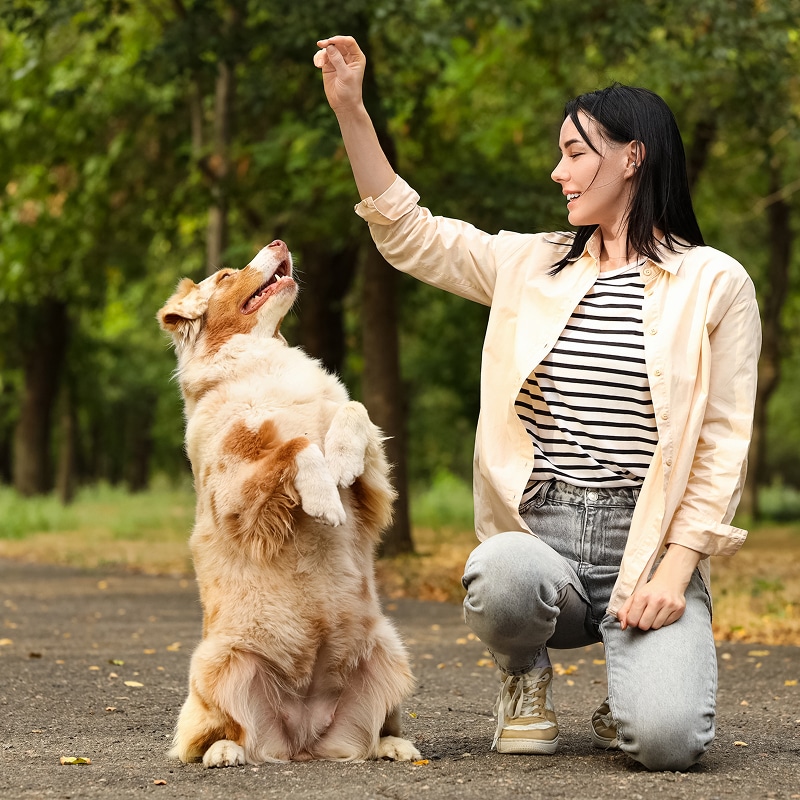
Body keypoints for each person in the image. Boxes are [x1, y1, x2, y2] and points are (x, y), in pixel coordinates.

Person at [313, 35, 761, 772]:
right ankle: (524, 678)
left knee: (669, 744)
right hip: (542, 526)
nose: (559, 171)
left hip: (646, 542)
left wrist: (674, 574)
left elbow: (721, 445)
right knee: (502, 576)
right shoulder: (531, 264)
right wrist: (352, 111)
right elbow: (410, 235)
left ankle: (631, 687)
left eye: (575, 152)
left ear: (631, 157)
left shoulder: (715, 283)